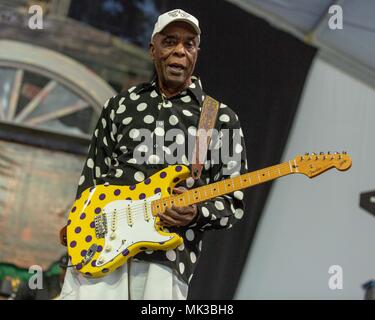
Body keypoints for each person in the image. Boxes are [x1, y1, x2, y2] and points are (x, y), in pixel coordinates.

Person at [59, 8, 247, 300]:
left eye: (189, 44)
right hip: (99, 249)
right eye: (170, 41)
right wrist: (77, 234)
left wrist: (195, 212)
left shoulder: (220, 119)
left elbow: (233, 203)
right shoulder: (119, 105)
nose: (180, 52)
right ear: (153, 49)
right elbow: (90, 180)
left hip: (165, 261)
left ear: (197, 52)